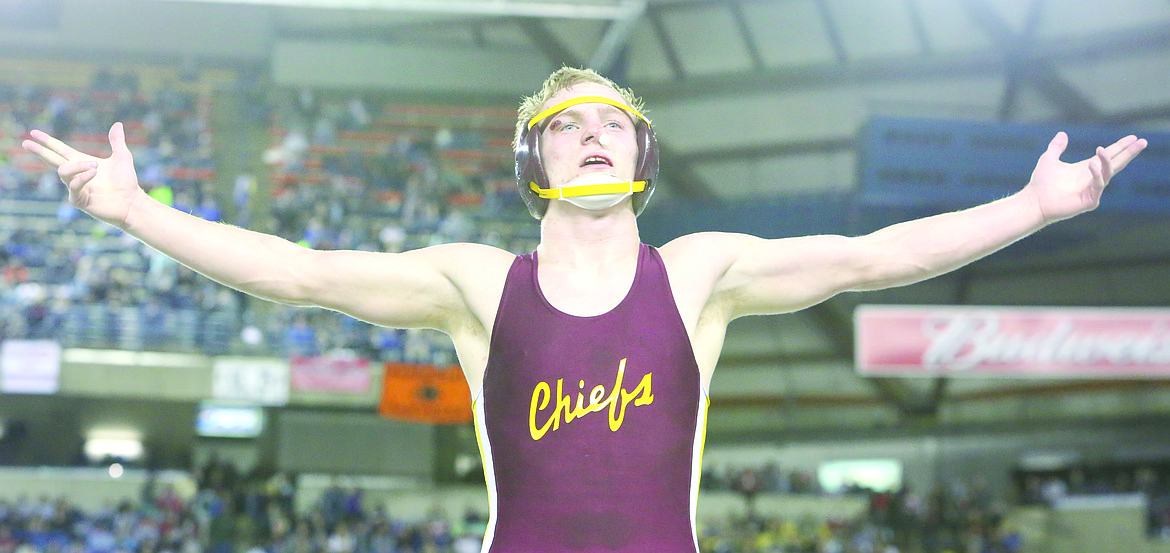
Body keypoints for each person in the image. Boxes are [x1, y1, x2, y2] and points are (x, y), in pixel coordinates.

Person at [22, 67, 1146, 552]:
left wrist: (1030, 209)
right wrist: (135, 212)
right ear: (536, 157)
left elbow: (867, 256)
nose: (594, 131)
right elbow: (300, 271)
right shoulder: (476, 283)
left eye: (611, 120)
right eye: (568, 123)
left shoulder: (699, 273)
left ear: (641, 152)